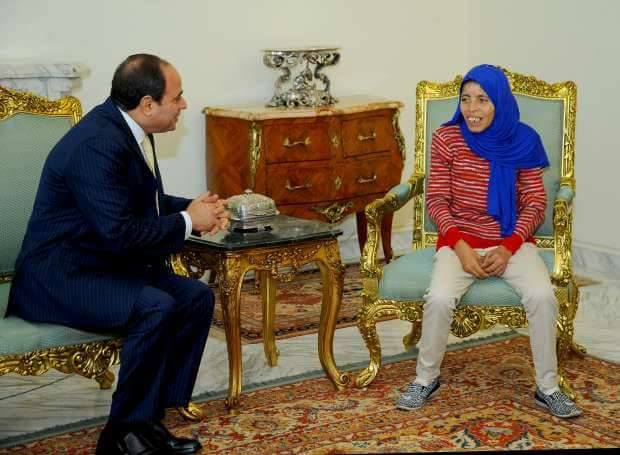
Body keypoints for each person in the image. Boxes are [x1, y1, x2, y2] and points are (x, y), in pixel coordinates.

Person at [8, 54, 230, 454]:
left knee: (195, 297)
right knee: (156, 307)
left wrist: (194, 209)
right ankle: (120, 436)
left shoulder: (128, 128)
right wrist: (187, 220)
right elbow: (120, 232)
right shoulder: (96, 144)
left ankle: (150, 421)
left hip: (102, 265)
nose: (183, 104)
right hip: (60, 276)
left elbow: (140, 203)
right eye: (177, 97)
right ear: (148, 104)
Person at [395, 64, 581, 419]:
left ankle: (548, 387)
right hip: (458, 240)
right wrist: (460, 246)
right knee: (439, 297)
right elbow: (436, 200)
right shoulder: (447, 138)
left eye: (482, 99)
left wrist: (508, 247)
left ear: (500, 102)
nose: (472, 108)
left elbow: (535, 203)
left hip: (511, 240)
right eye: (465, 99)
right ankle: (425, 379)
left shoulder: (524, 140)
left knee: (542, 296)